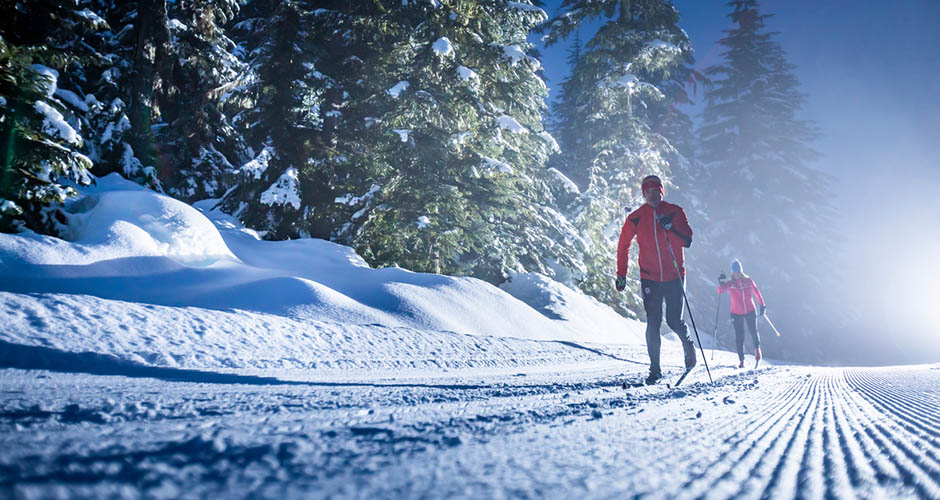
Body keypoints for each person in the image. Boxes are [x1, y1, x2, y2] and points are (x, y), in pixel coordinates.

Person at [616, 175, 696, 384]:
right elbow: (623, 244)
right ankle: (655, 369)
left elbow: (687, 240)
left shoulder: (675, 211)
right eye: (648, 192)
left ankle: (688, 345)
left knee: (673, 320)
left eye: (656, 191)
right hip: (649, 278)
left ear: (662, 192)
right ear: (643, 194)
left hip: (675, 276)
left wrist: (671, 228)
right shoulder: (636, 217)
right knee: (653, 322)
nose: (652, 195)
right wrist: (621, 273)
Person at [717, 259, 766, 368]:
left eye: (739, 272)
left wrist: (762, 305)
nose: (737, 274)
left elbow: (757, 292)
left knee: (753, 331)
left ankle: (757, 351)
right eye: (735, 272)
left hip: (750, 310)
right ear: (732, 273)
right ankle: (741, 361)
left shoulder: (748, 281)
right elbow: (720, 291)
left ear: (741, 271)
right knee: (740, 336)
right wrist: (720, 283)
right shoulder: (730, 284)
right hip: (736, 313)